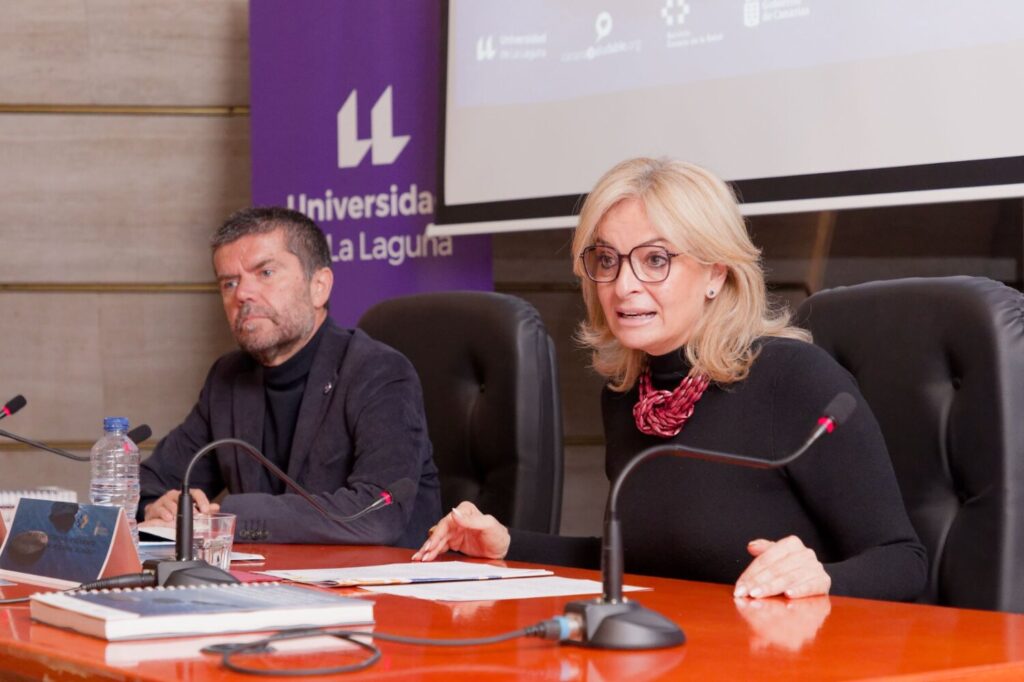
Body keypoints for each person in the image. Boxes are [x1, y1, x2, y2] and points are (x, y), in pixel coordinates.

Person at [414, 158, 928, 601]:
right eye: (608, 260)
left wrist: (823, 579)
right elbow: (644, 558)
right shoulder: (629, 397)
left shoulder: (794, 380)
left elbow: (903, 561)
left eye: (655, 260)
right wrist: (508, 545)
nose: (623, 285)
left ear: (715, 274)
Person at [139, 207, 441, 547]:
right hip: (269, 588)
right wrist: (156, 505)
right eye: (229, 282)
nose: (242, 294)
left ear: (319, 287)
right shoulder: (229, 378)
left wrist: (231, 515)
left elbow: (376, 514)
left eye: (265, 272)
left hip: (379, 589)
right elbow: (152, 480)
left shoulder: (379, 373)